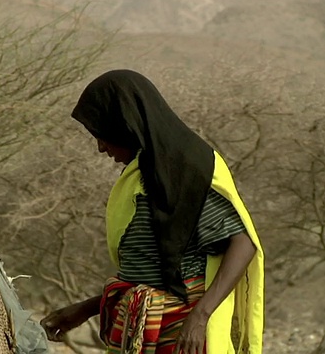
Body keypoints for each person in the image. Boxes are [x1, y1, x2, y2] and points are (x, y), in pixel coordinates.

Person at [40, 70, 264, 354]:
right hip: (142, 327)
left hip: (182, 334)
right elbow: (152, 272)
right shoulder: (145, 173)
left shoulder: (186, 170)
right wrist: (85, 310)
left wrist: (200, 317)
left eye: (102, 135)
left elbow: (242, 243)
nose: (100, 148)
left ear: (125, 125)